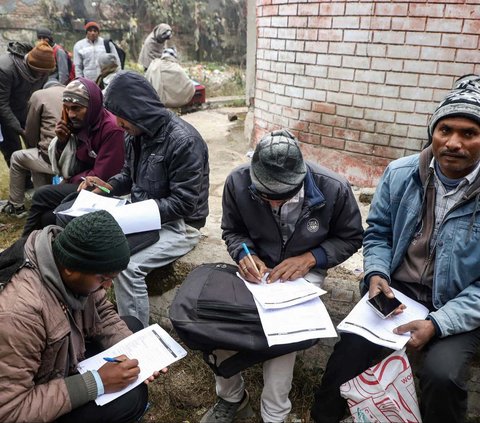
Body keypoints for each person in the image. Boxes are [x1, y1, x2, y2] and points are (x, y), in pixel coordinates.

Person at [311, 76, 480, 423]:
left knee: (442, 376)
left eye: (469, 134)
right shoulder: (401, 174)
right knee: (346, 356)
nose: (453, 143)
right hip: (398, 296)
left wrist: (438, 322)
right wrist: (376, 273)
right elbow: (378, 234)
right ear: (432, 130)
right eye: (445, 130)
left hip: (457, 304)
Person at [200, 130, 363, 423]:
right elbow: (232, 231)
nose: (274, 204)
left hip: (305, 272)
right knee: (220, 322)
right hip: (256, 270)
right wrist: (244, 254)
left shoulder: (333, 188)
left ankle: (274, 414)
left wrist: (312, 257)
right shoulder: (238, 182)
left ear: (300, 177)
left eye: (283, 195)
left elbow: (351, 237)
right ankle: (232, 397)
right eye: (264, 195)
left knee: (285, 332)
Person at [0, 210, 167, 422]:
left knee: (131, 327)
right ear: (70, 269)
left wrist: (138, 355)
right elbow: (10, 411)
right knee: (131, 398)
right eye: (104, 278)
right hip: (26, 399)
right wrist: (97, 382)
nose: (108, 287)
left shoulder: (71, 261)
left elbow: (103, 313)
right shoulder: (18, 315)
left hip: (54, 366)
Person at [79, 70, 209, 328]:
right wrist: (108, 187)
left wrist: (137, 213)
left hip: (181, 225)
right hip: (141, 216)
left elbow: (185, 204)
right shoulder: (135, 134)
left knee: (127, 266)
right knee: (91, 242)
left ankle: (136, 335)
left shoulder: (184, 141)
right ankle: (96, 320)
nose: (118, 123)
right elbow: (128, 174)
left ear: (138, 110)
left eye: (122, 116)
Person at [22, 77, 125, 235]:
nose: (71, 114)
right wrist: (63, 142)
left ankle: (23, 244)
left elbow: (103, 177)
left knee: (43, 194)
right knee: (47, 218)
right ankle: (37, 245)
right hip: (82, 183)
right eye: (67, 108)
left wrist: (71, 179)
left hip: (103, 190)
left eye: (77, 108)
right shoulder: (82, 125)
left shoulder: (111, 130)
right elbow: (74, 161)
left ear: (92, 106)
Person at [1, 79, 65, 218]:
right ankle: (46, 200)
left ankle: (16, 206)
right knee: (36, 157)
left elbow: (30, 134)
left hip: (54, 156)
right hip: (77, 156)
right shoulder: (72, 92)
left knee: (18, 157)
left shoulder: (39, 95)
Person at [0, 40, 55, 166]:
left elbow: (38, 97)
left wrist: (34, 123)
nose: (41, 75)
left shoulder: (45, 70)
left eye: (44, 73)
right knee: (13, 150)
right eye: (38, 71)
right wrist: (20, 130)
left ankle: (35, 180)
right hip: (3, 114)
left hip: (24, 109)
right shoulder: (5, 69)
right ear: (29, 64)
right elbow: (2, 104)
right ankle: (22, 183)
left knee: (37, 147)